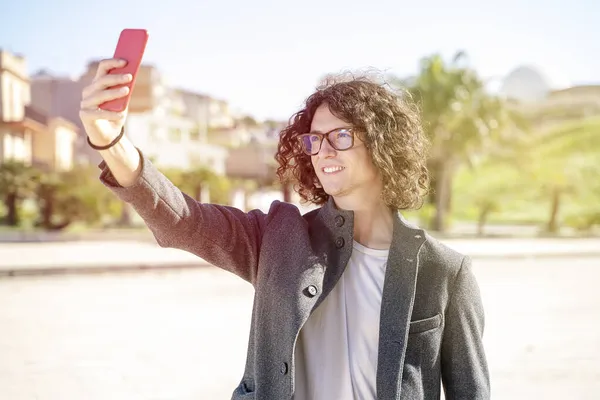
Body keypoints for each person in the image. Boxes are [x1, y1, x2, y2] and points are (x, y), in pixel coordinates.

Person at [80, 58, 490, 400]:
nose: (323, 150)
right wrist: (112, 142)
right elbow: (186, 219)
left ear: (382, 143)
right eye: (314, 140)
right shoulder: (278, 236)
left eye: (341, 136)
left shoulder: (445, 271)